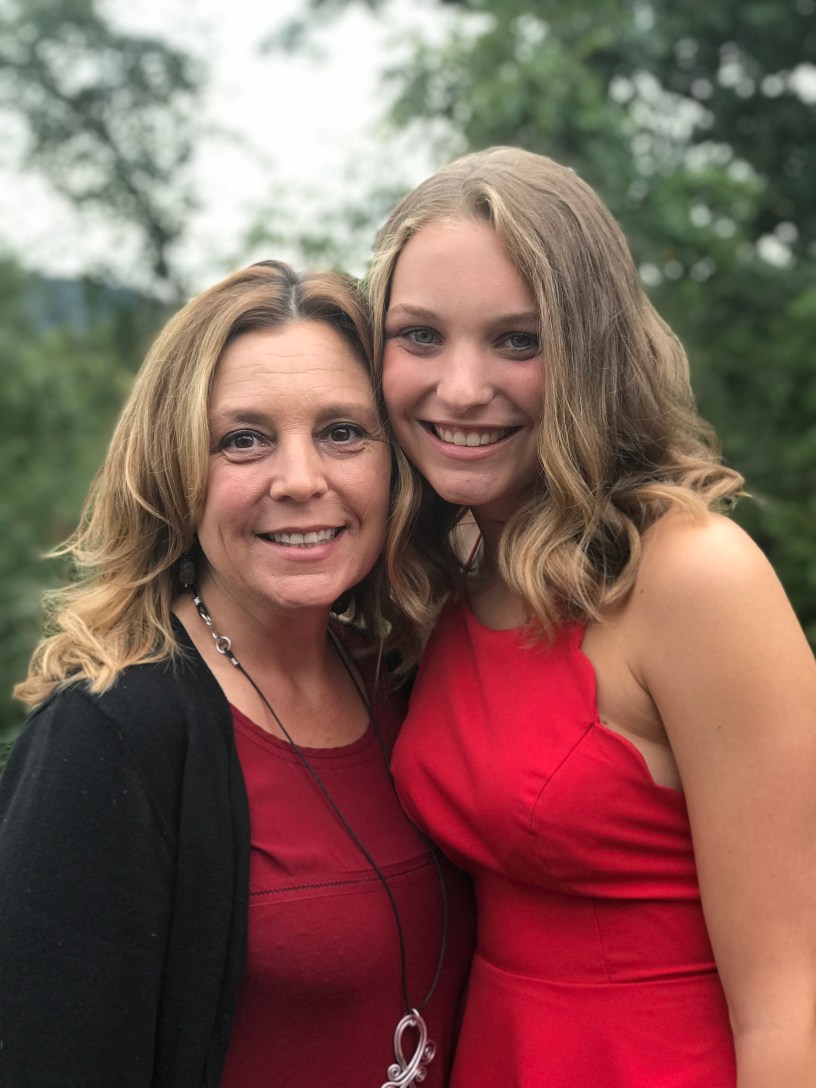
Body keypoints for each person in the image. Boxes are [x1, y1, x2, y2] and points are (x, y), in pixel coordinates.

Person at [367, 146, 816, 1086]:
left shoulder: (696, 577)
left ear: (592, 353)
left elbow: (795, 1003)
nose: (461, 387)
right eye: (419, 336)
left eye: (517, 341)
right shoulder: (455, 567)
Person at [0, 261, 474, 1088]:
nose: (301, 480)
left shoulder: (407, 682)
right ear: (176, 471)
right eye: (244, 440)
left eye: (343, 432)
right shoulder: (109, 736)